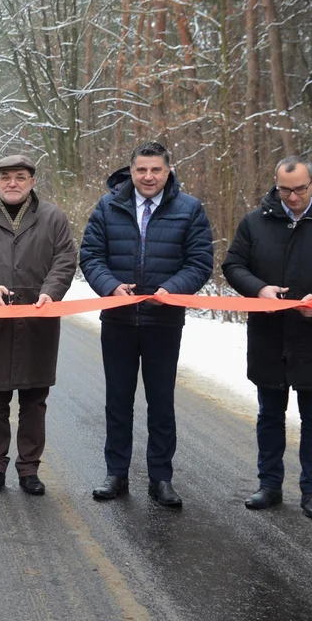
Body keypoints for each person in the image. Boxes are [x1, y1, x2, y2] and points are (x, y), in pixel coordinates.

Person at [222, 155, 312, 521]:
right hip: (269, 336)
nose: (292, 197)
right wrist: (259, 289)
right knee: (269, 414)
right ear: (275, 184)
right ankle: (269, 485)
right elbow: (233, 264)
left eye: (300, 189)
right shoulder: (255, 221)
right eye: (285, 190)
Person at [79, 141, 213, 508]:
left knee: (161, 402)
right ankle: (116, 474)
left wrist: (173, 288)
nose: (148, 176)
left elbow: (200, 262)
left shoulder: (189, 209)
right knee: (118, 400)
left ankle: (161, 478)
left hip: (164, 321)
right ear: (131, 171)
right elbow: (90, 255)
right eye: (142, 170)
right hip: (118, 320)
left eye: (156, 170)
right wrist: (110, 286)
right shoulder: (108, 206)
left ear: (168, 171)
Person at [0, 154, 77, 496]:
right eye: (5, 177)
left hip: (38, 320)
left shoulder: (52, 217)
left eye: (20, 177)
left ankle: (29, 469)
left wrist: (51, 292)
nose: (12, 183)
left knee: (35, 400)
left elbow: (66, 259)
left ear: (32, 181)